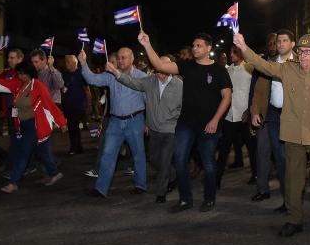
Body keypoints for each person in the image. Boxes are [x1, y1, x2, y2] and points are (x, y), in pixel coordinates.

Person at [233, 31, 310, 237]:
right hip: (293, 134)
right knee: (293, 179)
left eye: (309, 52)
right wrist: (243, 47)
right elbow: (261, 64)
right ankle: (294, 219)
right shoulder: (287, 70)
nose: (304, 56)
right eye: (301, 52)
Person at [138, 31, 232, 213]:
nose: (195, 48)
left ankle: (209, 198)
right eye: (194, 45)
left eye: (199, 45)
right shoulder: (186, 66)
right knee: (179, 159)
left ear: (208, 48)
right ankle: (185, 199)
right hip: (186, 124)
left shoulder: (219, 70)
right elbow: (159, 65)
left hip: (209, 125)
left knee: (208, 163)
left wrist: (215, 120)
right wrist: (147, 44)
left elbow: (226, 98)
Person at [106, 55, 183, 203]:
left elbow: (185, 107)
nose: (160, 72)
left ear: (170, 69)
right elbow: (132, 82)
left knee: (165, 161)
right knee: (154, 159)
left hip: (170, 130)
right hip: (154, 129)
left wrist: (178, 122)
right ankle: (173, 175)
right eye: (158, 68)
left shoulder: (179, 85)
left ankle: (161, 193)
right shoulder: (149, 81)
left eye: (164, 68)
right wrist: (116, 72)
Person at [80, 47, 148, 198]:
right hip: (115, 122)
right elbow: (92, 79)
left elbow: (148, 100)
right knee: (107, 155)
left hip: (135, 120)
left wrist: (148, 122)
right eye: (119, 57)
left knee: (138, 154)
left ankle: (140, 185)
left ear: (132, 59)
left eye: (124, 58)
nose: (121, 60)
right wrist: (84, 63)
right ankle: (101, 188)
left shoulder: (141, 76)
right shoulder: (111, 76)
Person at [0, 60, 66, 193]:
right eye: (19, 74)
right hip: (23, 126)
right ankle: (54, 173)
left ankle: (13, 182)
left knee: (23, 153)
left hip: (35, 125)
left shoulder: (38, 86)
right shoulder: (18, 85)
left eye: (23, 74)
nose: (20, 77)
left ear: (30, 73)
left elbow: (50, 105)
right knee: (41, 153)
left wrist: (61, 122)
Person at [249, 30, 296, 208]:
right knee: (279, 157)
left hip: (294, 117)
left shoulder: (301, 63)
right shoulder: (268, 65)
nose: (280, 44)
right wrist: (254, 111)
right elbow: (259, 90)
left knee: (289, 160)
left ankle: (291, 200)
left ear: (292, 43)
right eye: (278, 41)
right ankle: (285, 200)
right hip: (273, 115)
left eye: (284, 41)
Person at [216, 45, 256, 186]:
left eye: (235, 52)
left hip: (245, 116)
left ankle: (256, 176)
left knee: (252, 149)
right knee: (224, 149)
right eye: (230, 52)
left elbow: (255, 93)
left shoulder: (250, 69)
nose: (231, 55)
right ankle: (217, 179)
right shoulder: (227, 71)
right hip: (229, 116)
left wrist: (250, 111)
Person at [61, 55, 90, 155]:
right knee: (73, 127)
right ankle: (78, 147)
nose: (66, 64)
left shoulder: (81, 73)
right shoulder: (65, 74)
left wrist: (89, 104)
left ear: (75, 63)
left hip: (78, 105)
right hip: (68, 105)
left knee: (74, 126)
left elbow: (87, 89)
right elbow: (63, 88)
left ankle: (74, 147)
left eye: (68, 62)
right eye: (66, 62)